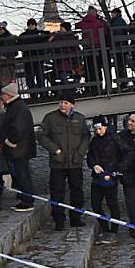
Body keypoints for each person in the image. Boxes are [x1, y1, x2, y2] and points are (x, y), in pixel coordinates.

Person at [37, 90, 91, 231]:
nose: (63, 105)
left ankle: (76, 218)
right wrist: (55, 150)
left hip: (75, 162)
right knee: (57, 192)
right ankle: (59, 220)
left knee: (77, 191)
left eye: (66, 103)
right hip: (58, 163)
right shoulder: (50, 118)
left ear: (72, 104)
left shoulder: (80, 118)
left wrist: (80, 153)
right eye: (61, 102)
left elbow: (86, 137)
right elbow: (42, 136)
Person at [86, 115, 130, 243]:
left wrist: (119, 169)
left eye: (100, 128)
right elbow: (90, 156)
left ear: (105, 127)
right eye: (96, 129)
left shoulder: (115, 138)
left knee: (112, 204)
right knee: (95, 204)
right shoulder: (94, 141)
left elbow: (127, 153)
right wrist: (94, 165)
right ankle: (105, 228)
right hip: (97, 177)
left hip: (111, 176)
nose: (98, 131)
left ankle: (114, 231)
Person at [0, 82, 36, 211]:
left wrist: (10, 142)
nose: (1, 96)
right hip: (20, 148)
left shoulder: (18, 107)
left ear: (9, 95)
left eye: (3, 94)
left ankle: (27, 200)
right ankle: (25, 198)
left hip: (19, 148)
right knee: (21, 174)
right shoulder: (15, 107)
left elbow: (18, 129)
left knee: (22, 174)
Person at [18, 18, 50, 95]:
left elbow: (49, 36)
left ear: (35, 25)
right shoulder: (25, 35)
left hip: (37, 58)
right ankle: (34, 94)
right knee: (30, 78)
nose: (30, 26)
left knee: (40, 76)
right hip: (29, 58)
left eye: (32, 24)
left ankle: (42, 93)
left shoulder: (37, 34)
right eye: (29, 24)